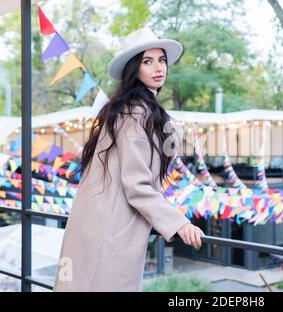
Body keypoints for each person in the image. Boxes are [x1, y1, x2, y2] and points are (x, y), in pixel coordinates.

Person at [53, 27, 204, 292]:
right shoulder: (136, 113)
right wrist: (178, 222)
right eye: (147, 61)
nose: (158, 68)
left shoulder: (124, 109)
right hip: (111, 233)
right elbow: (137, 186)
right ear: (134, 69)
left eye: (161, 60)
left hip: (92, 227)